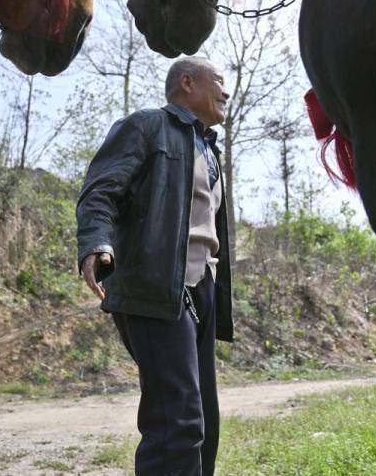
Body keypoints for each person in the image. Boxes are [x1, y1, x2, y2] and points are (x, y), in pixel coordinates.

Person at [76, 56, 233, 476]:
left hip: (201, 290)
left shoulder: (208, 147)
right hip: (154, 285)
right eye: (218, 81)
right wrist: (96, 242)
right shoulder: (147, 126)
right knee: (176, 421)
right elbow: (100, 191)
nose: (226, 91)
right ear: (187, 82)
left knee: (203, 422)